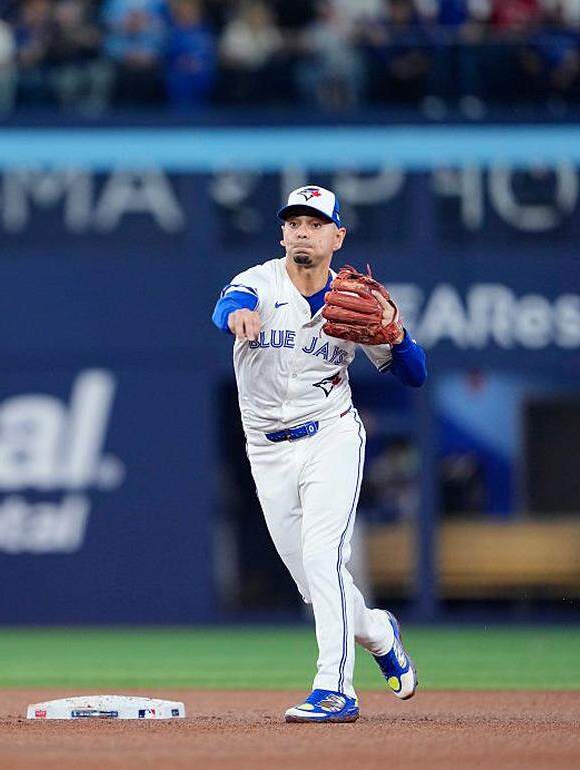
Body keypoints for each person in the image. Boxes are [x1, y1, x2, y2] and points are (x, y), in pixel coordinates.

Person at [211, 185, 426, 723]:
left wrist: (396, 337)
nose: (302, 231)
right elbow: (227, 307)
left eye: (315, 223)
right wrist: (237, 317)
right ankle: (379, 631)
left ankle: (334, 688)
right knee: (314, 583)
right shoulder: (258, 282)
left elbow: (414, 374)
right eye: (294, 222)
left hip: (330, 435)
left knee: (322, 556)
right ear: (282, 233)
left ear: (337, 236)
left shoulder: (352, 301)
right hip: (267, 450)